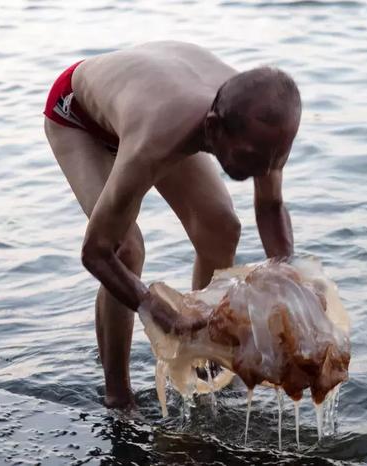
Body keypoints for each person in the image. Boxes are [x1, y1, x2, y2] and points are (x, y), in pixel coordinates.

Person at [43, 41, 301, 408]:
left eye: (275, 160)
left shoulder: (265, 128)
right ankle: (118, 395)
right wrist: (155, 308)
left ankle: (203, 360)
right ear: (214, 130)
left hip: (158, 94)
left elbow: (271, 206)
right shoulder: (160, 135)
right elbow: (95, 253)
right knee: (124, 248)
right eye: (251, 159)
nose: (264, 169)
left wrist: (290, 280)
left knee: (222, 226)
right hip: (78, 116)